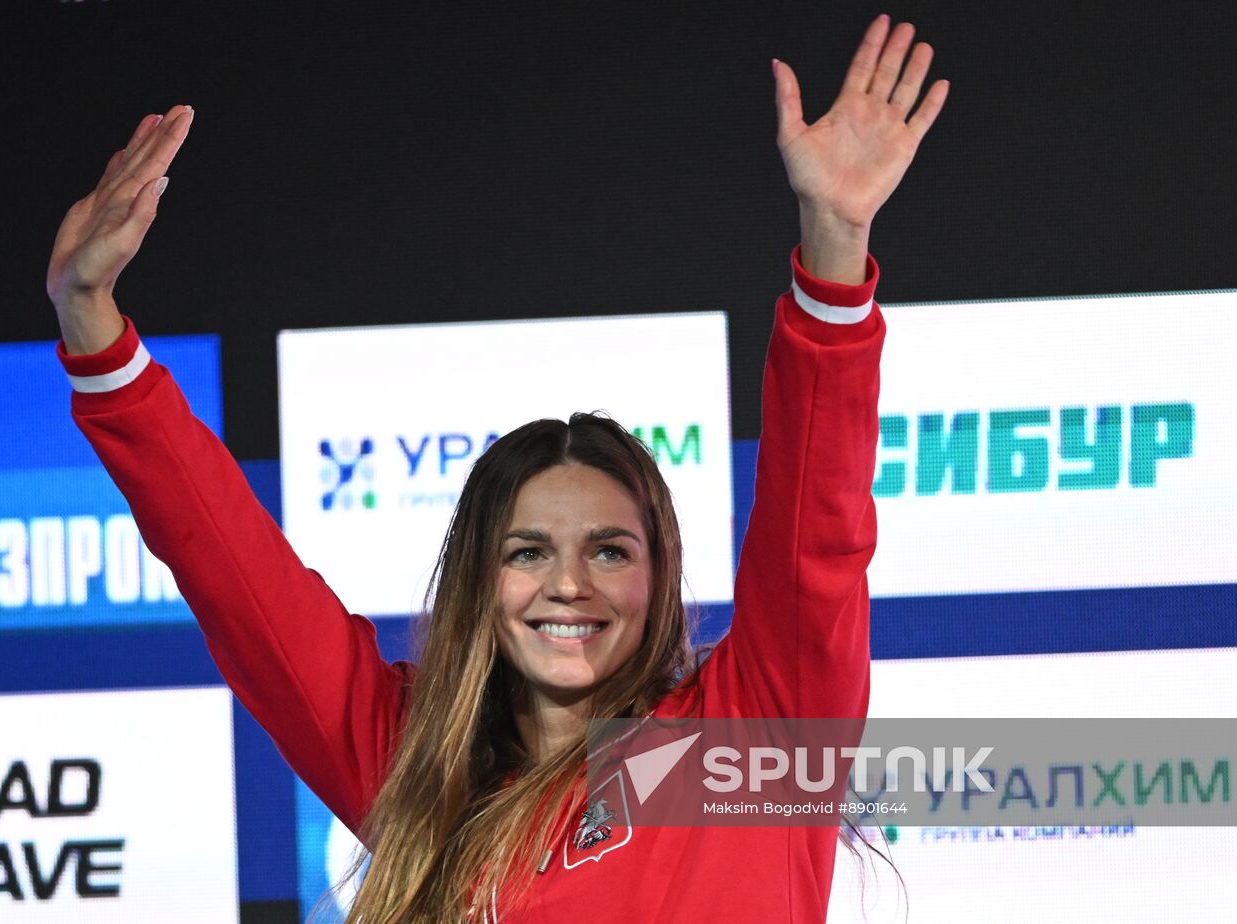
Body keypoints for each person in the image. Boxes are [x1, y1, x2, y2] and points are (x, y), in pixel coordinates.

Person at [46, 14, 946, 923]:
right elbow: (238, 580)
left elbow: (814, 536)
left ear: (660, 573)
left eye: (609, 550)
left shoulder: (742, 750)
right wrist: (90, 318)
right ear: (480, 577)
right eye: (526, 552)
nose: (568, 584)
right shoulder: (417, 768)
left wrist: (834, 243)